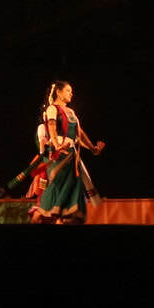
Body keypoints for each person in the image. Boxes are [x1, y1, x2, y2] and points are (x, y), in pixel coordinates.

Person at [26, 80, 98, 223]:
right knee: (57, 184)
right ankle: (40, 216)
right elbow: (52, 126)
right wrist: (57, 143)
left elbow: (79, 133)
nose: (71, 93)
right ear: (58, 92)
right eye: (68, 90)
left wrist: (93, 148)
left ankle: (62, 217)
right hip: (57, 152)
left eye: (71, 91)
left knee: (73, 183)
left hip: (71, 153)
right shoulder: (53, 109)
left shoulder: (71, 112)